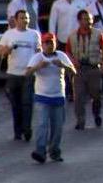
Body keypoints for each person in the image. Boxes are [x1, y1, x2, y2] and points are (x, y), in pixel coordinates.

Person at [26, 32, 76, 163]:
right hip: (42, 96)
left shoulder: (61, 56)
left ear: (55, 43)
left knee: (57, 126)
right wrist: (38, 66)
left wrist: (63, 65)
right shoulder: (37, 57)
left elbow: (74, 71)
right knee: (42, 125)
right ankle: (40, 151)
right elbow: (27, 73)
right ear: (42, 45)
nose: (49, 45)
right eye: (46, 43)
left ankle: (54, 151)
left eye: (51, 43)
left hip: (58, 96)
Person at [0, 9, 41, 141]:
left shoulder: (34, 34)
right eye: (22, 18)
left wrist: (36, 68)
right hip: (13, 74)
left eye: (26, 18)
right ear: (16, 20)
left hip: (28, 74)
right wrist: (8, 48)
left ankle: (27, 129)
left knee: (27, 103)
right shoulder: (9, 34)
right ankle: (18, 130)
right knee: (16, 104)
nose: (25, 21)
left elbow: (39, 53)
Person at [66, 9, 103, 130]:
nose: (88, 21)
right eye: (85, 19)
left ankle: (97, 113)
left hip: (93, 68)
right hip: (79, 70)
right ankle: (80, 120)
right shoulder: (72, 36)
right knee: (78, 96)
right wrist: (73, 62)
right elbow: (68, 51)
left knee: (97, 94)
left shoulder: (98, 33)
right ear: (79, 21)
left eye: (89, 19)